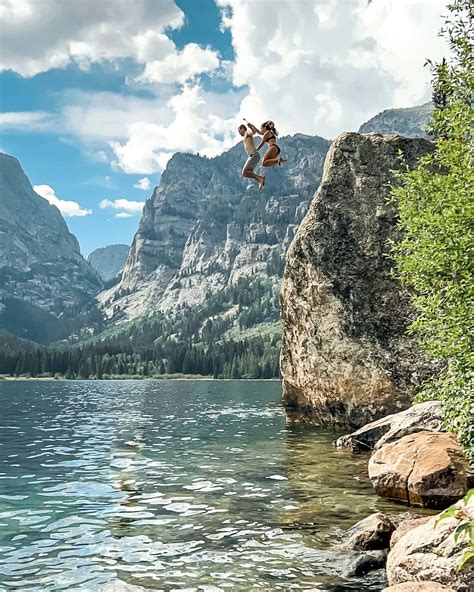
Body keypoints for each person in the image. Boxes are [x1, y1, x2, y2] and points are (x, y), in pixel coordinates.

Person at [238, 123, 265, 189]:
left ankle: (260, 179)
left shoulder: (247, 133)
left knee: (244, 172)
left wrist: (251, 127)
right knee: (248, 172)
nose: (239, 133)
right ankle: (260, 179)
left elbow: (253, 132)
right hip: (253, 156)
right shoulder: (245, 136)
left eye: (239, 131)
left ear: (243, 129)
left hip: (254, 155)